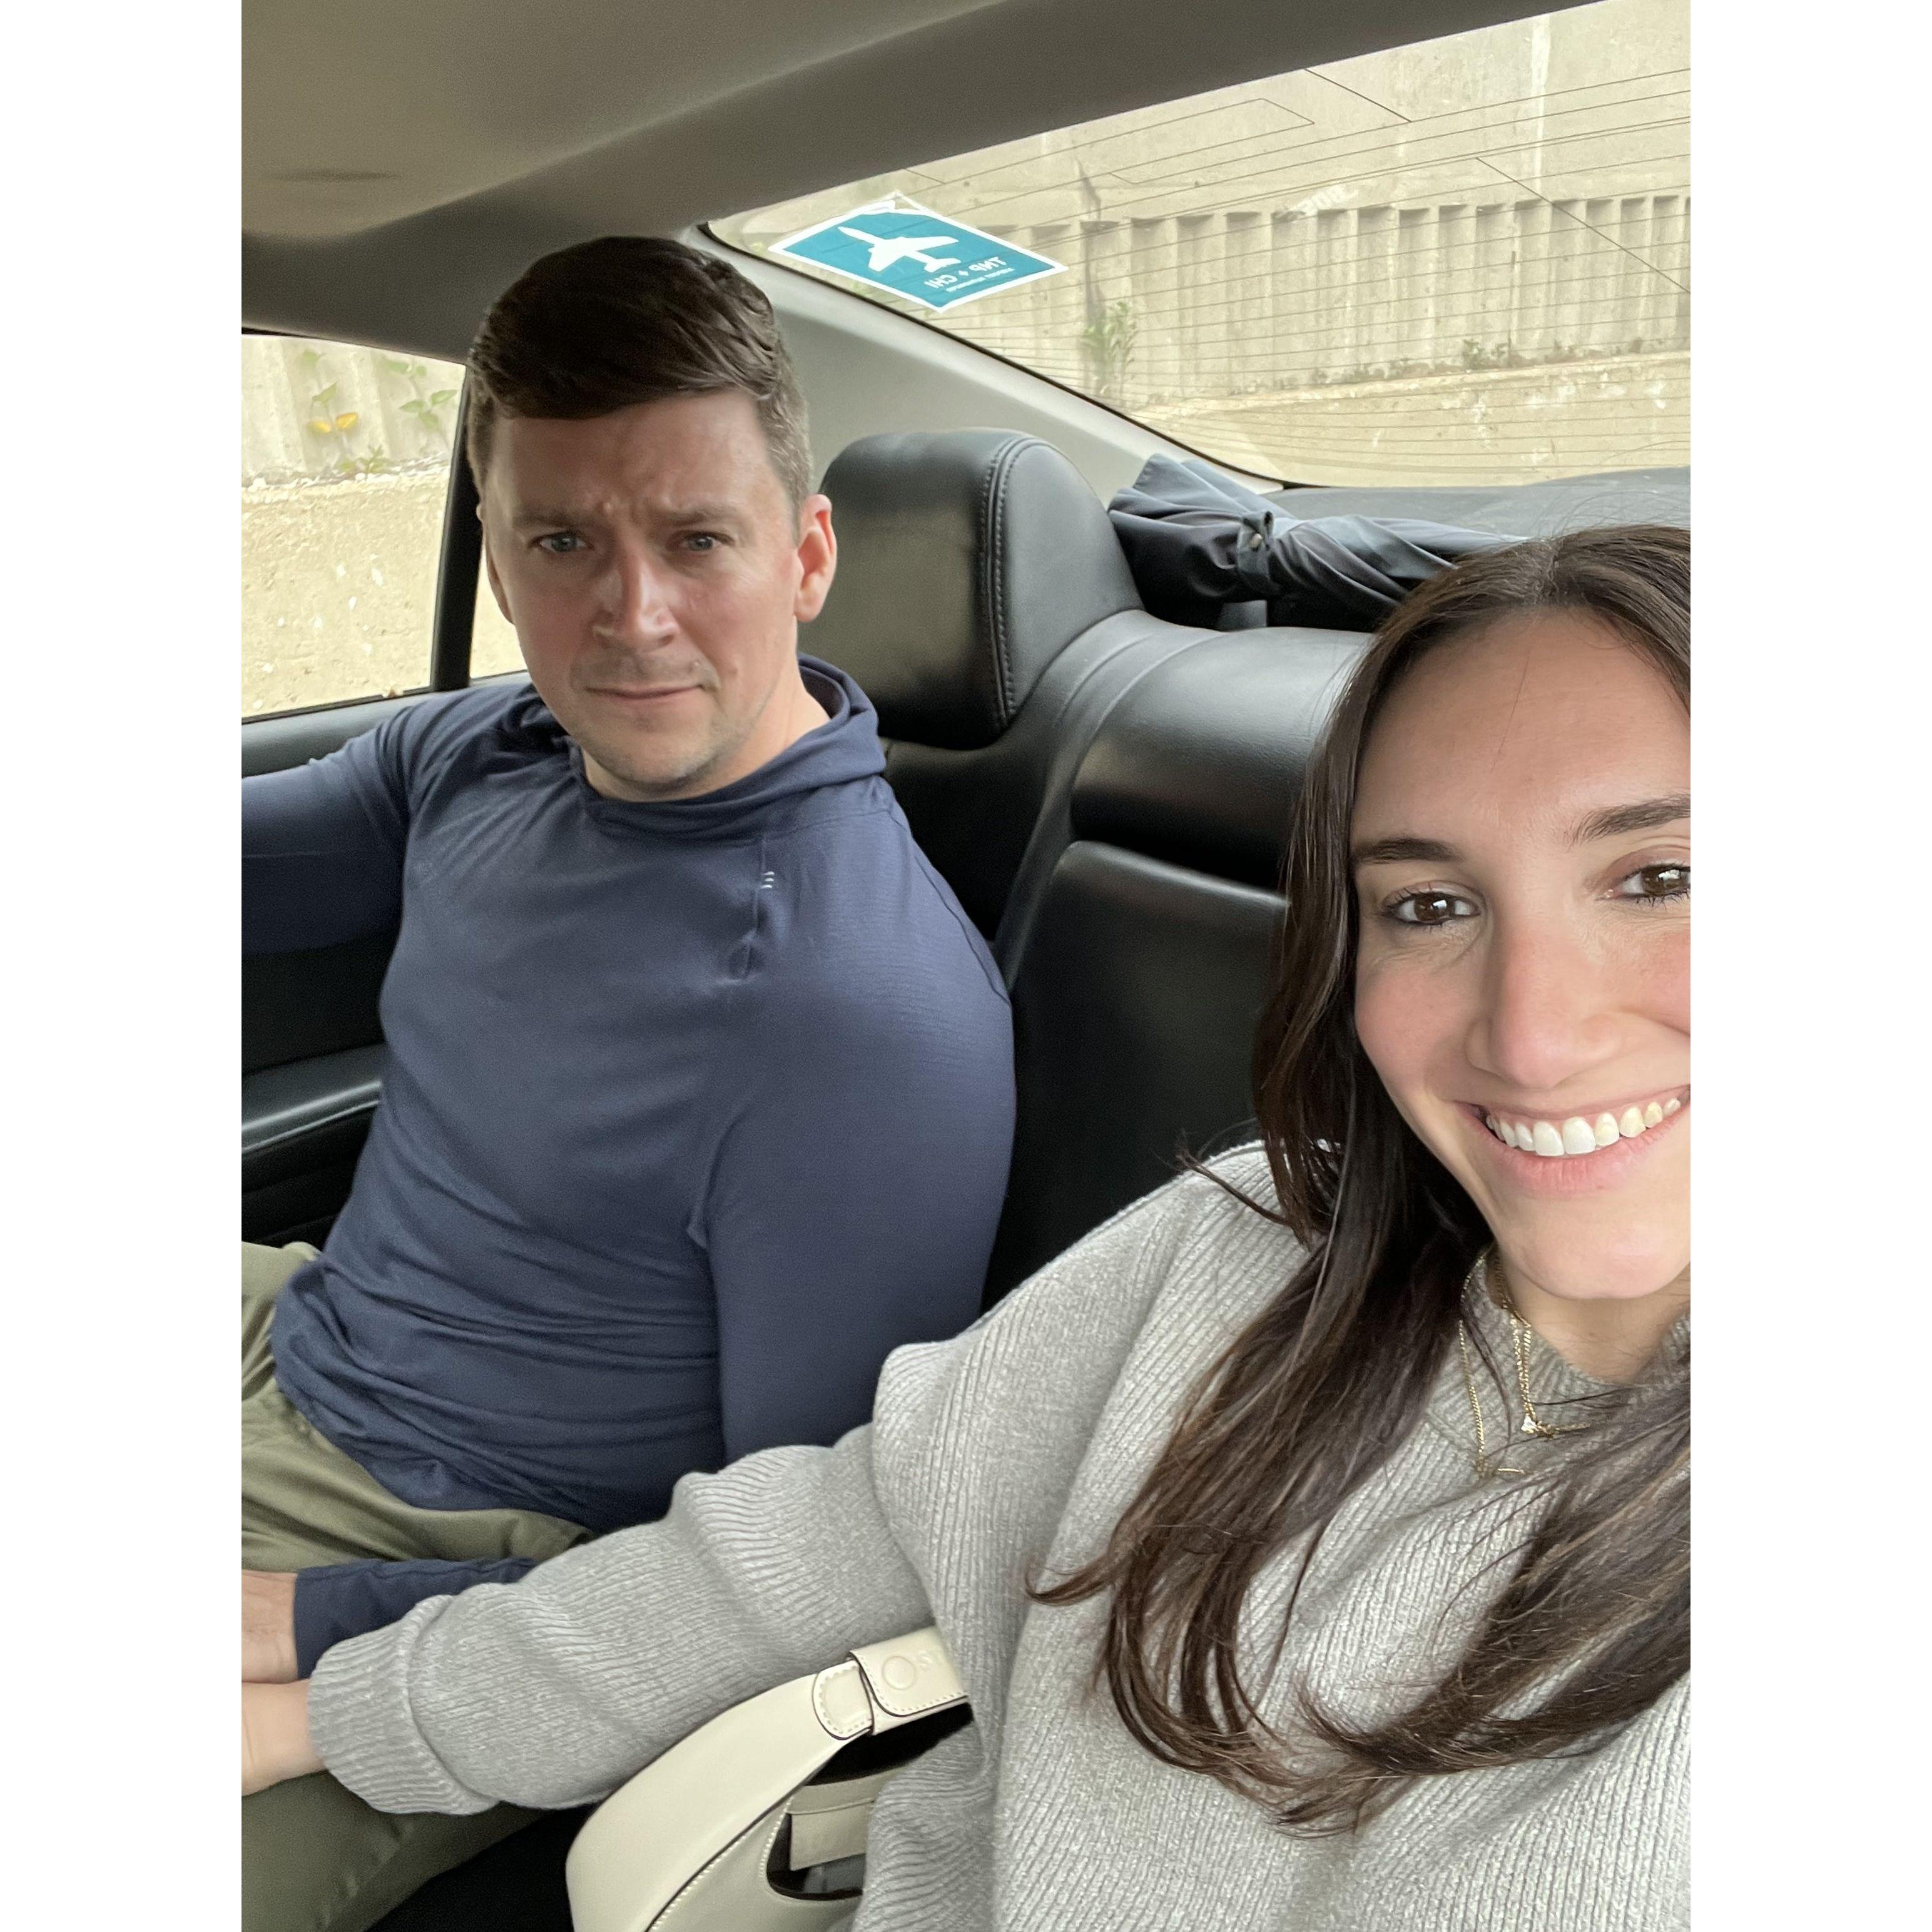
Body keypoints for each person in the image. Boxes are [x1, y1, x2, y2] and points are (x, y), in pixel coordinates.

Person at [245, 525, 1690, 1928]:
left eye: (1659, 878)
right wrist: (334, 1697)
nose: (1530, 1033)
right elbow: (798, 1552)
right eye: (1428, 903)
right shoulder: (1248, 1244)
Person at [240, 236, 1016, 1929]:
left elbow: (807, 1571)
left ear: (807, 554)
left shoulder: (857, 1016)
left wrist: (307, 1628)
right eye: (563, 542)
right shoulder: (493, 753)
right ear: (499, 559)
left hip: (452, 1552)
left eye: (697, 540)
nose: (633, 613)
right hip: (293, 1328)